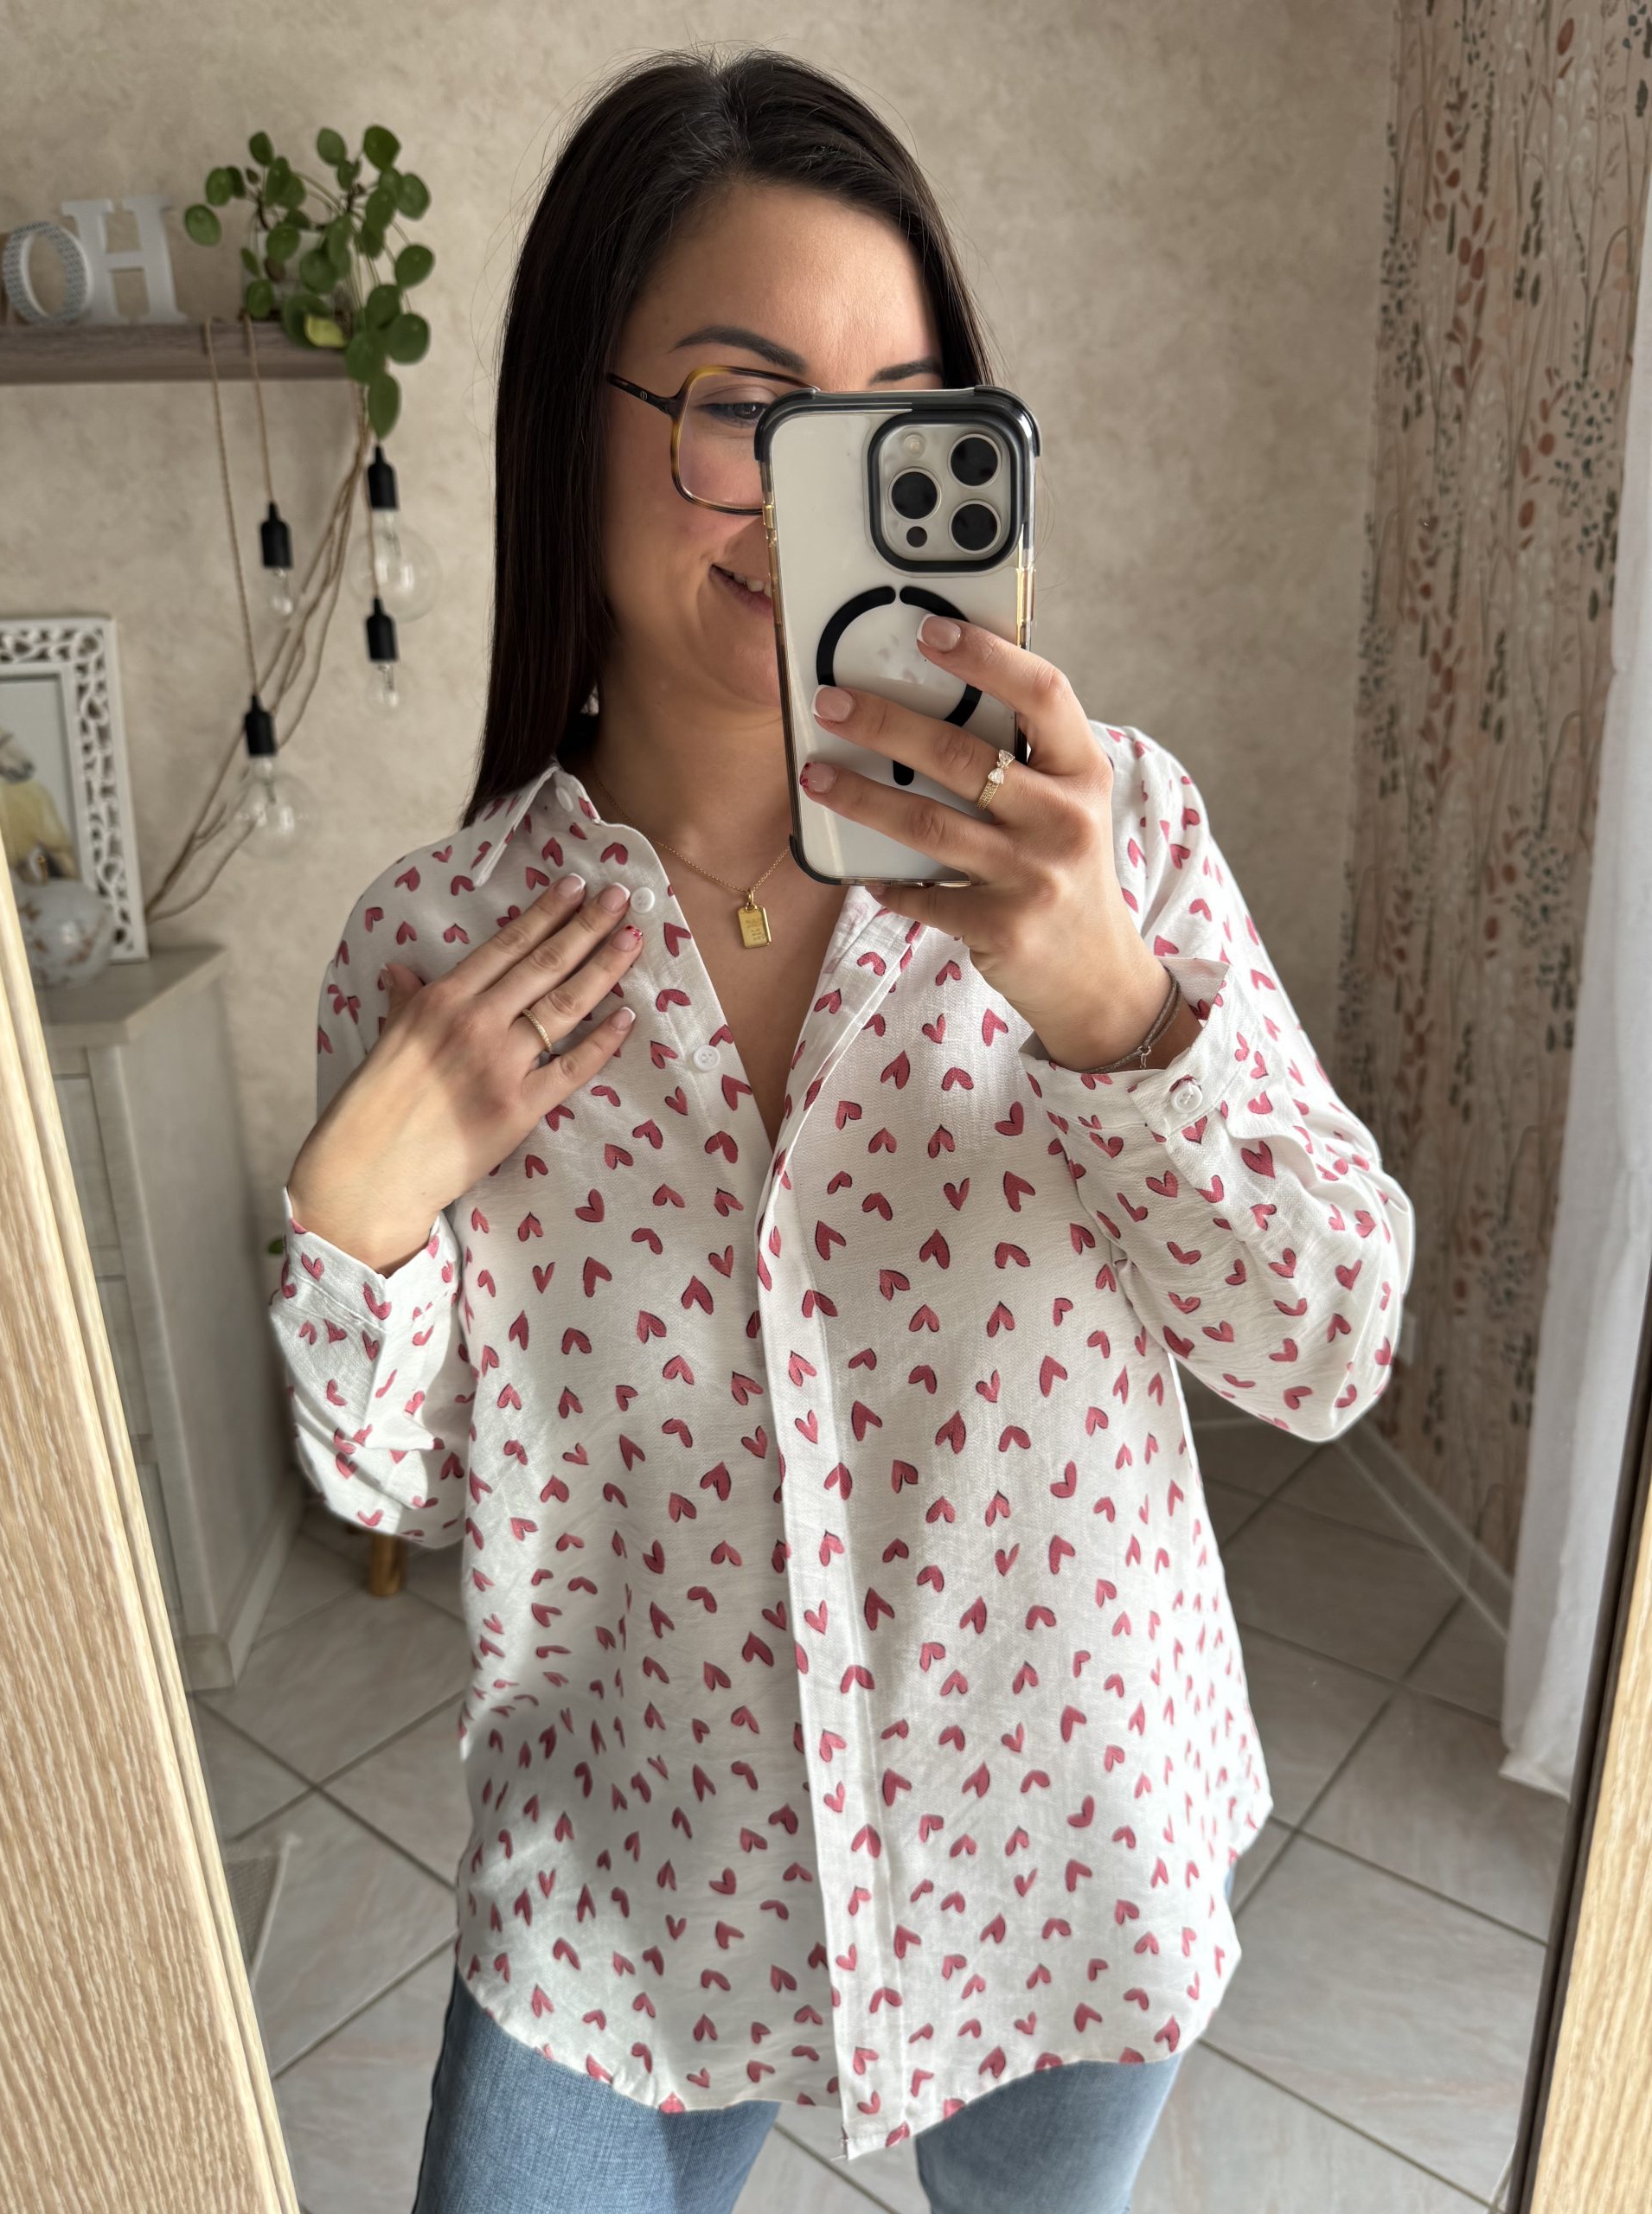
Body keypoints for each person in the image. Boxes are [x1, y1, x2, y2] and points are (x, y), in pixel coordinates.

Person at [268, 43, 1415, 2214]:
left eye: (891, 422)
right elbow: (395, 1481)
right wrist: (358, 1213)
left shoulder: (1122, 845)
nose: (820, 498)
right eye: (742, 407)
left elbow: (1330, 1343)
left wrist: (1108, 1002)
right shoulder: (436, 947)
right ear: (574, 421)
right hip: (629, 1882)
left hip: (1059, 1854)